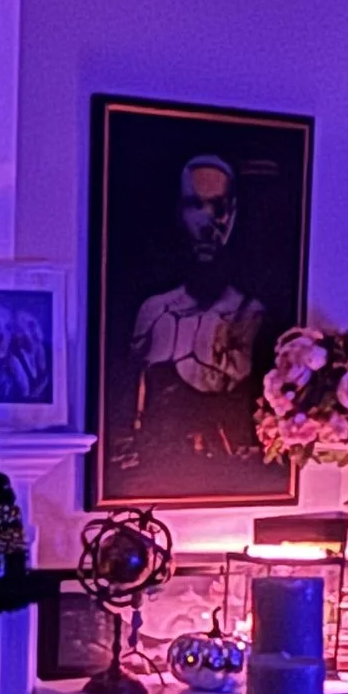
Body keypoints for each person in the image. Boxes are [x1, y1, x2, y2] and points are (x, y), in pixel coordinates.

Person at [122, 154, 266, 478]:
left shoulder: (251, 313)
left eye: (219, 207)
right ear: (178, 212)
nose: (207, 221)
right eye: (194, 206)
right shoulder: (154, 310)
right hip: (156, 473)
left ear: (232, 214)